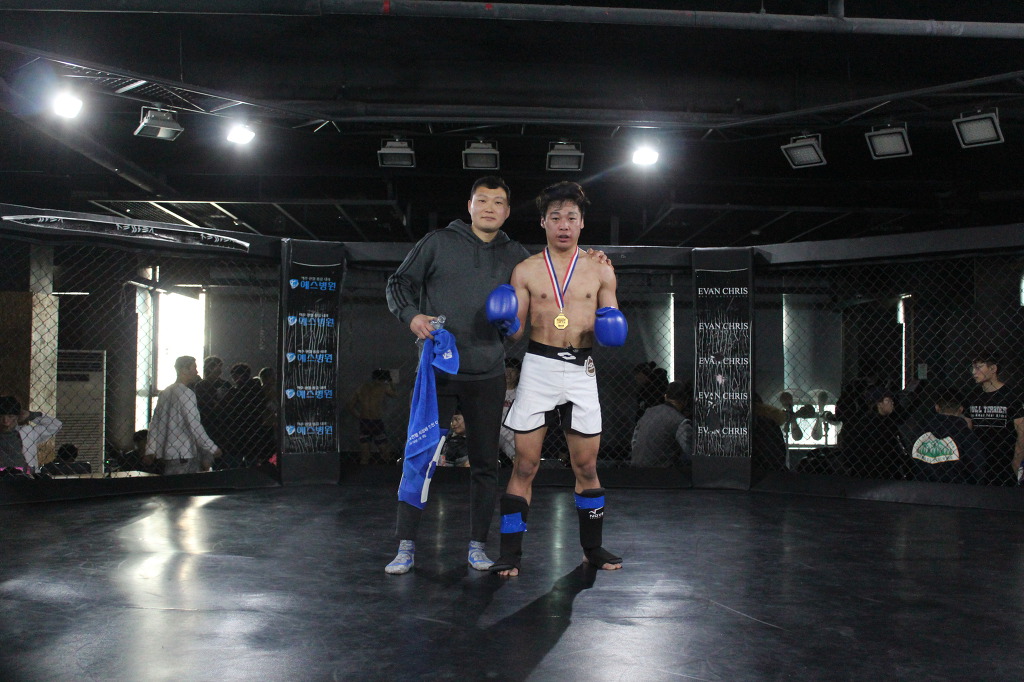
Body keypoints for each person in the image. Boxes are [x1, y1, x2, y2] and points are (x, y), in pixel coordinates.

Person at [383, 176, 531, 575]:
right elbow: (398, 282)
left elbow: (527, 314)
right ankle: (405, 545)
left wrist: (514, 326)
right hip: (439, 370)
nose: (489, 208)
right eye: (482, 200)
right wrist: (411, 315)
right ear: (469, 206)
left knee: (485, 464)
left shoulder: (517, 255)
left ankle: (478, 546)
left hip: (488, 373)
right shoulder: (438, 243)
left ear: (507, 211)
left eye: (497, 202)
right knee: (420, 456)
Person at [491, 180, 627, 577]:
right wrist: (504, 323)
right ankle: (510, 553)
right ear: (543, 223)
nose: (563, 225)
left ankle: (592, 548)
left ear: (581, 223)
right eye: (555, 217)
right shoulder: (526, 270)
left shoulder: (600, 269)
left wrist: (612, 326)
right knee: (524, 465)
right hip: (539, 366)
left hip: (582, 369)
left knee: (586, 465)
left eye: (571, 217)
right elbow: (516, 332)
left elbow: (612, 319)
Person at [144, 356, 222, 475]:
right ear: (184, 370)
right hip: (184, 452)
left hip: (167, 452)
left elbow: (155, 423)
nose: (197, 371)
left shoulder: (165, 393)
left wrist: (151, 449)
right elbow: (194, 425)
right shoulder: (187, 393)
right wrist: (212, 448)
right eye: (194, 368)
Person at [963, 353, 1024, 486]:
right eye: (973, 368)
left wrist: (1017, 459)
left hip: (1004, 460)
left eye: (979, 367)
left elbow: (1022, 432)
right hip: (978, 460)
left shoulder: (1011, 396)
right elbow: (966, 428)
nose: (974, 372)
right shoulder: (972, 396)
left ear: (993, 368)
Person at [909, 391, 985, 484]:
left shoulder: (920, 432)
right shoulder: (966, 436)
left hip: (922, 487)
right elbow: (978, 466)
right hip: (958, 488)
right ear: (961, 409)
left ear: (937, 408)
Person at [630, 381, 692, 467]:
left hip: (636, 467)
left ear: (665, 396)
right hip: (661, 470)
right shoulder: (679, 421)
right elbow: (689, 449)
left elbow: (634, 441)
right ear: (685, 400)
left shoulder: (648, 412)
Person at [221, 362, 267, 468]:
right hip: (253, 430)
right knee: (252, 461)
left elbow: (230, 408)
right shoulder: (257, 389)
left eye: (235, 376)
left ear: (239, 375)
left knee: (234, 461)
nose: (233, 379)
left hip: (238, 431)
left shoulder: (237, 392)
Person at [347, 368, 397, 465]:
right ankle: (388, 468)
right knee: (383, 452)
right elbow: (395, 394)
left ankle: (367, 470)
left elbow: (350, 406)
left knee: (366, 454)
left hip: (366, 421)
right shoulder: (383, 387)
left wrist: (359, 416)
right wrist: (391, 382)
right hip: (374, 421)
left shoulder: (363, 387)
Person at [0, 396, 62, 473]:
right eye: (1, 417)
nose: (5, 421)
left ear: (18, 417)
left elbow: (56, 425)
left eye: (10, 416)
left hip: (25, 476)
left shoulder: (27, 432)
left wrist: (31, 415)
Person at [498, 358, 521, 465]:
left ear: (518, 373)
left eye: (512, 371)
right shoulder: (495, 392)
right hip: (497, 436)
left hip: (516, 437)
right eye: (505, 370)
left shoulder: (521, 393)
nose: (508, 374)